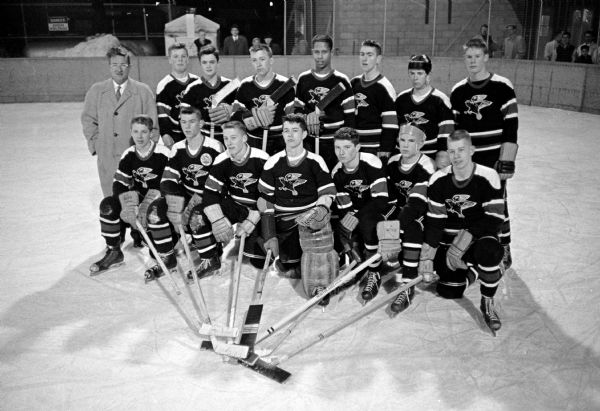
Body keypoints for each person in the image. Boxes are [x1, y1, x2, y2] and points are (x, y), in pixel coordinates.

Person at [420, 130, 505, 334]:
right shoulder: (438, 179)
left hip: (477, 238)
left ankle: (487, 301)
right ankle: (476, 269)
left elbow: (494, 219)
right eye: (452, 151)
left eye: (461, 150)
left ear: (472, 150)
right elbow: (435, 221)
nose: (456, 156)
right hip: (449, 242)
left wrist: (464, 241)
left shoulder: (488, 175)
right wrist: (428, 254)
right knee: (449, 290)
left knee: (490, 251)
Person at [450, 38, 519, 269]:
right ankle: (478, 243)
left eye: (477, 56)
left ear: (486, 57)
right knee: (475, 203)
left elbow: (511, 125)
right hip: (471, 159)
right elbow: (456, 130)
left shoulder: (502, 86)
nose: (473, 61)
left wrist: (506, 158)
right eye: (469, 57)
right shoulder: (458, 91)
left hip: (493, 159)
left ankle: (505, 245)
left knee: (498, 203)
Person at [258, 114, 337, 302]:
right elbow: (264, 199)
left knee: (317, 258)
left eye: (295, 131)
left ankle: (319, 287)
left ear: (304, 134)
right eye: (286, 131)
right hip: (284, 220)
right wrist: (270, 233)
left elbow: (328, 193)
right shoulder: (273, 162)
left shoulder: (315, 161)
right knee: (290, 267)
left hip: (310, 217)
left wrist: (321, 210)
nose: (290, 135)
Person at [144, 107, 224, 281]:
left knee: (197, 217)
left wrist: (198, 202)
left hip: (210, 197)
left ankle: (211, 259)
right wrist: (178, 203)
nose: (187, 126)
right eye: (183, 122)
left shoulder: (215, 147)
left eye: (192, 121)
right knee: (155, 211)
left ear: (201, 123)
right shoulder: (178, 148)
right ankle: (167, 257)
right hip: (187, 195)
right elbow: (167, 180)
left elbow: (222, 182)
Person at [89, 115, 170, 275]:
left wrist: (147, 205)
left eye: (144, 132)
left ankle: (166, 253)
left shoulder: (164, 153)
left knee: (156, 250)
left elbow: (169, 185)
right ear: (131, 132)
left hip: (159, 202)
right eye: (136, 132)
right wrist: (127, 204)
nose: (139, 136)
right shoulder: (129, 154)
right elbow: (119, 183)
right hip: (139, 199)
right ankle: (114, 251)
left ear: (151, 133)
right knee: (108, 206)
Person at [82, 46, 159, 197]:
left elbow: (153, 126)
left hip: (136, 158)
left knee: (136, 202)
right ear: (109, 66)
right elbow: (88, 120)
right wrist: (97, 145)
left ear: (129, 66)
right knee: (112, 201)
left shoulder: (143, 91)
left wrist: (148, 155)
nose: (119, 69)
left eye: (123, 65)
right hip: (107, 155)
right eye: (115, 65)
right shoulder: (96, 91)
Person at [201, 121, 270, 270]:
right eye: (226, 138)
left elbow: (270, 195)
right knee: (199, 218)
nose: (229, 143)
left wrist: (253, 218)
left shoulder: (262, 159)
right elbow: (210, 192)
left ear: (244, 138)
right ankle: (211, 257)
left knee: (259, 261)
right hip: (235, 205)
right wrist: (217, 220)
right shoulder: (221, 159)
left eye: (233, 138)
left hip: (256, 208)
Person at [331, 127, 389, 302]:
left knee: (367, 224)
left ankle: (375, 271)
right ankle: (357, 260)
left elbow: (381, 201)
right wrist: (347, 226)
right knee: (341, 231)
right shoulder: (337, 173)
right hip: (358, 212)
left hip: (384, 208)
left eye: (347, 147)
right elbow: (344, 207)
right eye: (337, 147)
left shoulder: (371, 162)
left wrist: (356, 218)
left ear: (358, 147)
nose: (341, 152)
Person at [385, 123, 435, 312]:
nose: (405, 145)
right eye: (403, 140)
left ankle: (407, 283)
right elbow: (389, 196)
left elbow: (417, 203)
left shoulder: (426, 165)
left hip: (422, 212)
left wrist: (396, 229)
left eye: (411, 141)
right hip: (401, 210)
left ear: (421, 144)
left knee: (412, 229)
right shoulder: (392, 161)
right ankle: (379, 266)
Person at [295, 34, 355, 169]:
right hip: (309, 143)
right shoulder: (303, 79)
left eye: (324, 52)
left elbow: (350, 118)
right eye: (316, 52)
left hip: (335, 144)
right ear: (312, 52)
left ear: (331, 52)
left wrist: (347, 146)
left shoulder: (342, 80)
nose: (320, 56)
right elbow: (297, 112)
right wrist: (307, 117)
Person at [231, 44, 295, 155]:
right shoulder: (245, 85)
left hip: (280, 142)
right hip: (253, 142)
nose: (258, 64)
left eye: (262, 59)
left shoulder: (285, 85)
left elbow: (293, 118)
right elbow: (235, 116)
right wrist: (254, 119)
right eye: (254, 60)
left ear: (271, 60)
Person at [394, 54, 454, 168]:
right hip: (405, 159)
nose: (415, 77)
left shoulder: (440, 100)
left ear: (428, 75)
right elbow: (396, 130)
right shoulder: (401, 99)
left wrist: (442, 157)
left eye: (420, 73)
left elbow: (446, 134)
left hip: (430, 158)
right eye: (412, 73)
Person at [351, 39, 398, 162]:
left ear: (378, 59)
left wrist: (386, 148)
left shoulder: (384, 87)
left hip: (375, 149)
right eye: (362, 54)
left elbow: (391, 123)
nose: (364, 58)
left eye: (369, 55)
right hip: (356, 146)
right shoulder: (354, 83)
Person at [180, 45, 237, 145]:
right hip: (202, 139)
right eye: (204, 62)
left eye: (212, 62)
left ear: (218, 63)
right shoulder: (192, 88)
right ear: (200, 64)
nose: (208, 66)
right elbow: (183, 115)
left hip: (227, 139)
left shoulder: (230, 86)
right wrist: (204, 114)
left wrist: (231, 111)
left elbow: (241, 110)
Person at [156, 43, 199, 147]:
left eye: (183, 56)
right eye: (176, 56)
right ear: (170, 60)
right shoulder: (164, 84)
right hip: (175, 136)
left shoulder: (197, 82)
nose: (180, 60)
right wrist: (165, 134)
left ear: (188, 59)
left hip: (197, 134)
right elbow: (162, 114)